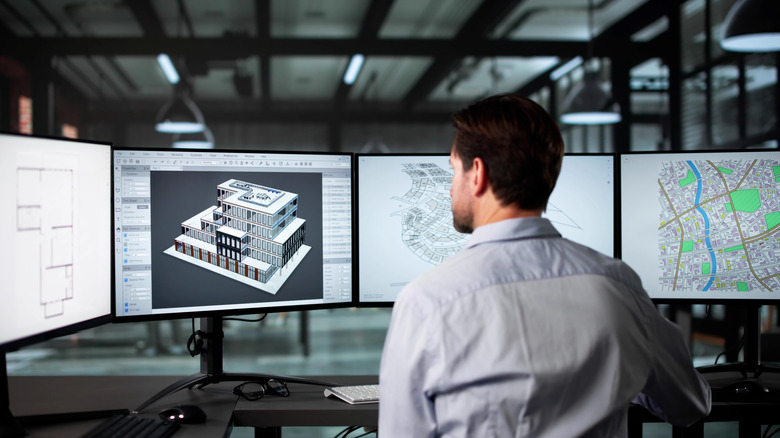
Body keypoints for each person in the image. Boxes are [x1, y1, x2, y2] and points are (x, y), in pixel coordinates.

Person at [378, 93, 711, 437]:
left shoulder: (427, 301)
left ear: (477, 173)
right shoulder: (619, 285)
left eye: (453, 169)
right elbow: (690, 404)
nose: (450, 188)